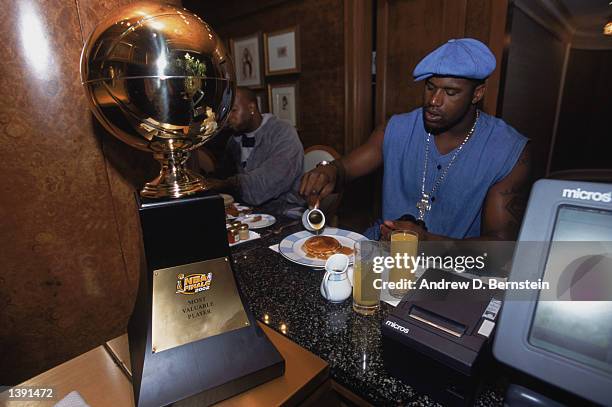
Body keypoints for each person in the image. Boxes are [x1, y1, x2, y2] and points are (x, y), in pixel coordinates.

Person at [300, 38, 531, 241]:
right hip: (382, 255)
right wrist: (329, 170)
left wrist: (427, 243)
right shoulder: (397, 127)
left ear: (477, 94)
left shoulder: (507, 149)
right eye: (430, 87)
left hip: (451, 271)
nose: (434, 101)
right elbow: (345, 168)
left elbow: (501, 245)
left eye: (450, 92)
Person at [209, 87, 305, 216]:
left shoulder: (283, 133)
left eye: (233, 110)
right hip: (248, 213)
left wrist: (225, 184)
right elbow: (221, 175)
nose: (227, 118)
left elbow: (263, 186)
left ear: (251, 108)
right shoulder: (233, 140)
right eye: (226, 112)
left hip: (285, 213)